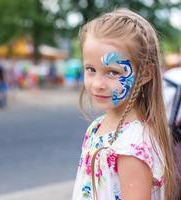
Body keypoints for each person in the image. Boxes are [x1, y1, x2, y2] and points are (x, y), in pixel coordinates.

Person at [72, 8, 178, 200]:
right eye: (91, 69)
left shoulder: (131, 145)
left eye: (112, 72)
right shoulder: (97, 126)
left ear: (145, 74)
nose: (97, 84)